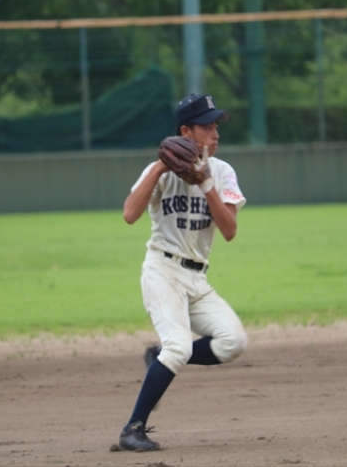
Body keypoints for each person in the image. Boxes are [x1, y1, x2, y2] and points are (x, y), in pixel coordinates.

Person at [118, 93, 248, 451]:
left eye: (216, 126)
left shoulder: (222, 172)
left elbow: (229, 231)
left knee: (233, 342)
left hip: (196, 278)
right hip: (162, 270)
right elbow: (129, 214)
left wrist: (207, 184)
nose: (215, 134)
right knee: (177, 347)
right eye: (207, 127)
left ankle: (158, 357)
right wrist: (160, 168)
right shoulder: (158, 171)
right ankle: (132, 429)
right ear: (185, 132)